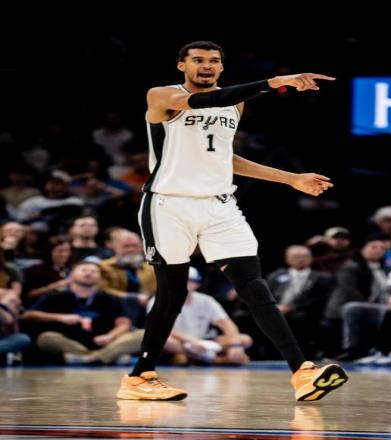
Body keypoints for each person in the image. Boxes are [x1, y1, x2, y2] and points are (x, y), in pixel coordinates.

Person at [117, 40, 348, 402]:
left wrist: (291, 179)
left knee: (254, 286)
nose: (206, 65)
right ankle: (140, 376)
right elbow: (204, 102)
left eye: (214, 61)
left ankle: (303, 371)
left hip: (220, 205)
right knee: (173, 292)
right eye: (198, 60)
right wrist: (274, 83)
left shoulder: (236, 104)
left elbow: (226, 158)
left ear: (222, 67)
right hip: (168, 204)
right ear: (182, 66)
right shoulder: (162, 96)